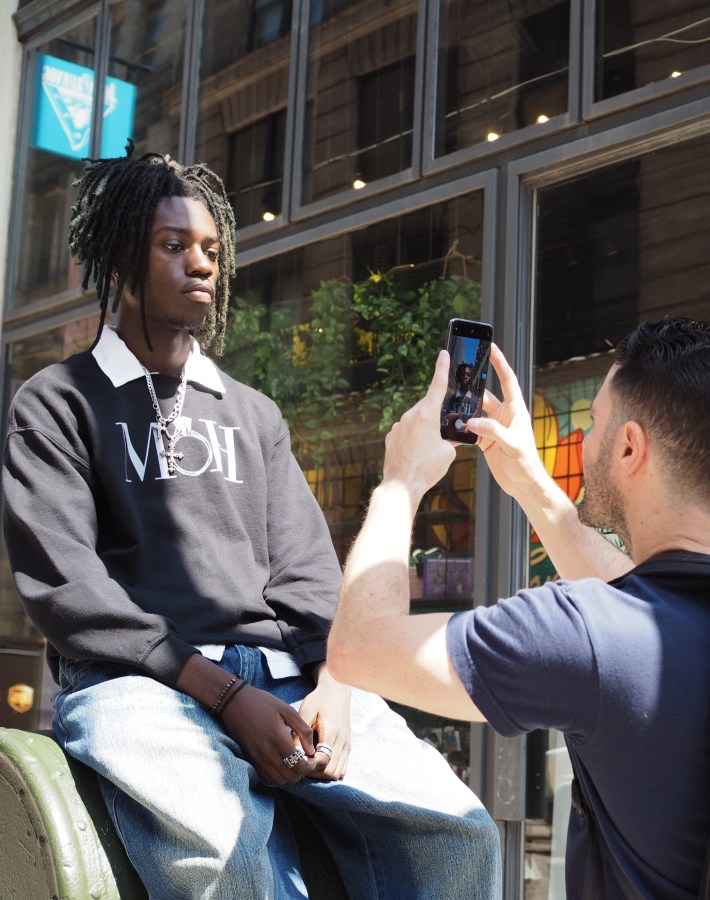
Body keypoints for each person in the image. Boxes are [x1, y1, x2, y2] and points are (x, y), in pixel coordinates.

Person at [1, 150, 501, 899]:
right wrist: (225, 696)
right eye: (173, 246)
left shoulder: (251, 412)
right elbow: (69, 588)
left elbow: (304, 570)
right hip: (137, 684)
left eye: (210, 249)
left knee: (461, 834)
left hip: (288, 677)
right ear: (119, 256)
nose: (200, 264)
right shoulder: (57, 402)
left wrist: (336, 683)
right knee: (226, 856)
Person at [329, 317, 710, 898]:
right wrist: (530, 481)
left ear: (630, 447)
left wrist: (401, 481)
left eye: (593, 422)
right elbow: (642, 597)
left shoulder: (585, 631)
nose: (585, 440)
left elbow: (359, 648)